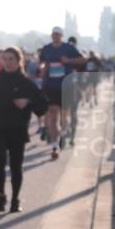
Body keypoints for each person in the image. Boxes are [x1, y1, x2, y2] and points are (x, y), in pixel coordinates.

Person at [0, 46, 47, 213]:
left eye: (11, 59)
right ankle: (2, 195)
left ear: (19, 62)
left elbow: (42, 106)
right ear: (1, 61)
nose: (8, 62)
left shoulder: (26, 83)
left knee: (16, 166)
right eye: (5, 59)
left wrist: (28, 103)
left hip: (17, 129)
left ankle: (15, 199)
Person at [38, 27, 85, 159]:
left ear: (62, 35)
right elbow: (41, 62)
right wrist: (42, 69)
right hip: (51, 86)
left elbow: (82, 60)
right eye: (54, 34)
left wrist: (68, 61)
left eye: (58, 34)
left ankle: (63, 133)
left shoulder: (69, 48)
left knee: (64, 117)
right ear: (51, 35)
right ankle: (55, 146)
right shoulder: (46, 48)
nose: (55, 36)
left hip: (66, 86)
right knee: (53, 116)